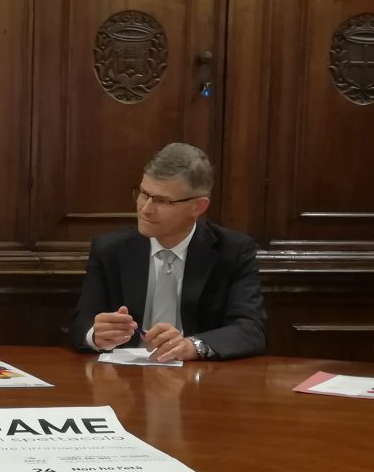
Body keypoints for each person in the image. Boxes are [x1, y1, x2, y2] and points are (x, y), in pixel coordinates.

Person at [68, 142, 266, 361]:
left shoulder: (233, 250)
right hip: (123, 376)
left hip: (198, 376)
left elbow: (250, 329)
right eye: (144, 194)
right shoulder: (110, 250)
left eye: (162, 201)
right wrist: (96, 335)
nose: (145, 209)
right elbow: (81, 324)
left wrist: (193, 345)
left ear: (198, 207)